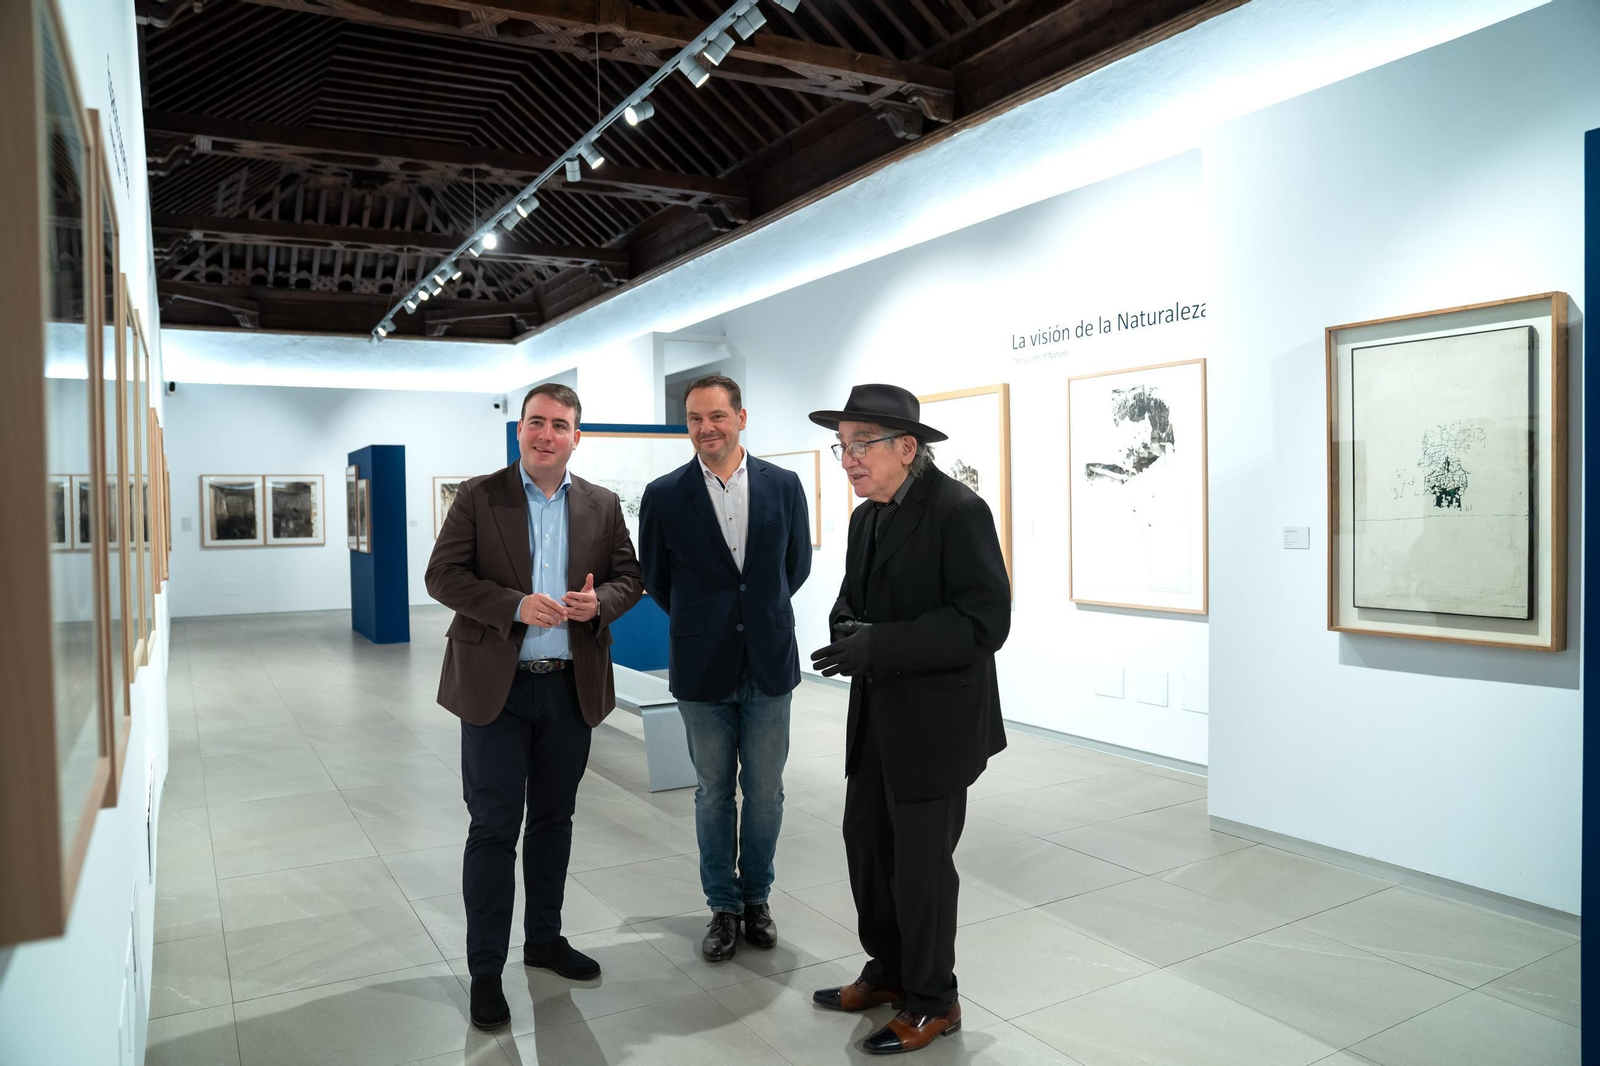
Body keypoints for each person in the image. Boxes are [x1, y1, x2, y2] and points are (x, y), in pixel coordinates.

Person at [424, 382, 643, 1032]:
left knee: (554, 821)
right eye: (535, 423)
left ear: (577, 436)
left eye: (559, 424)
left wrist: (599, 602)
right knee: (493, 827)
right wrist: (513, 606)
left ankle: (544, 940)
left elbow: (631, 577)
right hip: (497, 687)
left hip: (569, 687)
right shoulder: (479, 495)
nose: (545, 433)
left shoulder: (602, 505)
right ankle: (486, 971)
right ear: (519, 430)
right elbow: (443, 576)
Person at [805, 384, 1011, 1055]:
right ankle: (889, 971)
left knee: (922, 867)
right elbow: (849, 602)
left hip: (936, 725)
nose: (847, 460)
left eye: (859, 445)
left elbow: (985, 622)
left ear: (906, 447)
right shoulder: (868, 517)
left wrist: (879, 644)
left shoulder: (959, 511)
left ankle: (933, 1000)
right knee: (866, 845)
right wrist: (848, 632)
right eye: (842, 447)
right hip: (876, 717)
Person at [638, 374, 813, 961]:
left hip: (768, 661)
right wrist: (706, 620)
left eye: (716, 416)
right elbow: (657, 580)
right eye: (694, 418)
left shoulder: (783, 485)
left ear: (742, 417)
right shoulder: (663, 495)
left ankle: (757, 898)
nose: (705, 428)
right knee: (713, 792)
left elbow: (796, 566)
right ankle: (722, 906)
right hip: (700, 666)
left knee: (764, 792)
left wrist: (754, 615)